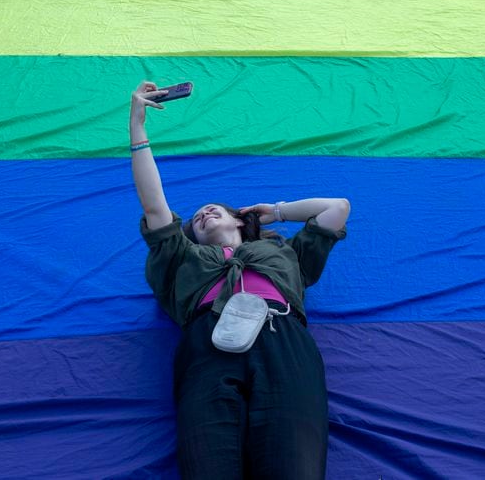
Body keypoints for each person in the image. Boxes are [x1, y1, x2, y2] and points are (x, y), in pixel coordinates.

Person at [130, 80, 349, 479]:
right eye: (196, 218)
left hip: (281, 337)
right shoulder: (182, 257)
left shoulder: (285, 253)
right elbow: (154, 204)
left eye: (215, 209)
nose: (204, 214)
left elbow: (336, 208)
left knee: (295, 467)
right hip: (207, 341)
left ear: (239, 218)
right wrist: (138, 127)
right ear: (189, 236)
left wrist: (278, 212)